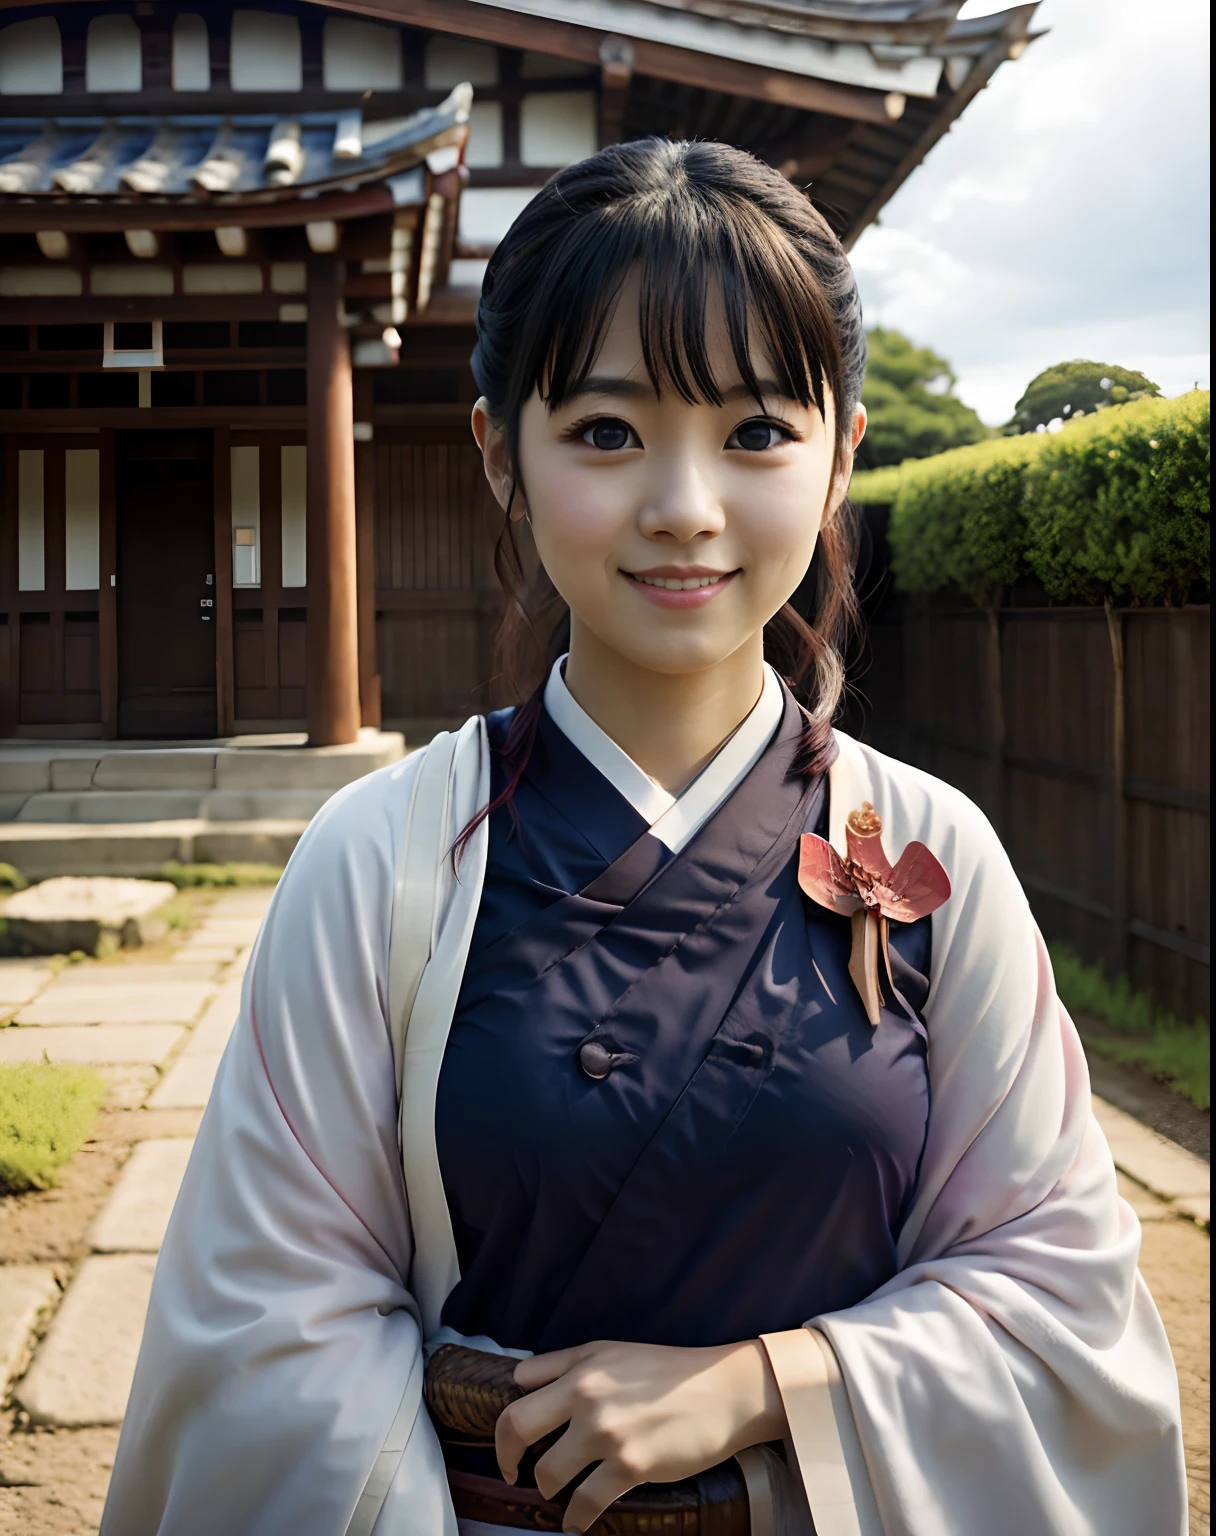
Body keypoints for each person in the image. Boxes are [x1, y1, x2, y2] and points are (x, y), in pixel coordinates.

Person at [101, 138, 1185, 1536]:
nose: (684, 506)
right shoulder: (380, 858)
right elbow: (265, 1323)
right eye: (607, 432)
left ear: (842, 451)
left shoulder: (936, 851)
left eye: (755, 433)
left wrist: (772, 1383)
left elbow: (1059, 1290)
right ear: (502, 452)